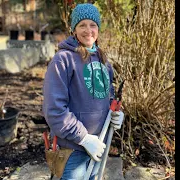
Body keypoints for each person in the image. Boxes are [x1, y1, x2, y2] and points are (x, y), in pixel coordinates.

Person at [42, 3, 124, 180]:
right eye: (82, 25)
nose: (88, 30)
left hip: (99, 144)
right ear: (74, 29)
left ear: (98, 28)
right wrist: (84, 139)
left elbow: (107, 97)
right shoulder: (62, 60)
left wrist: (115, 116)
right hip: (73, 150)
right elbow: (54, 110)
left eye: (93, 25)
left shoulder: (104, 61)